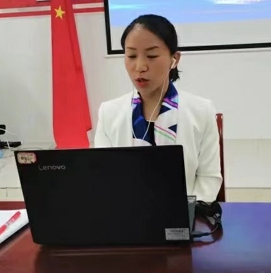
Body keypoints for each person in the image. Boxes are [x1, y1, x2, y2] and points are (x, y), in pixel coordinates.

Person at [94, 14, 222, 202]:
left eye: (152, 56)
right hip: (126, 214)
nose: (140, 66)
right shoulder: (109, 113)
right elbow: (104, 178)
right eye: (131, 56)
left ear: (174, 59)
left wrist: (186, 212)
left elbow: (208, 179)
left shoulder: (201, 112)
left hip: (185, 215)